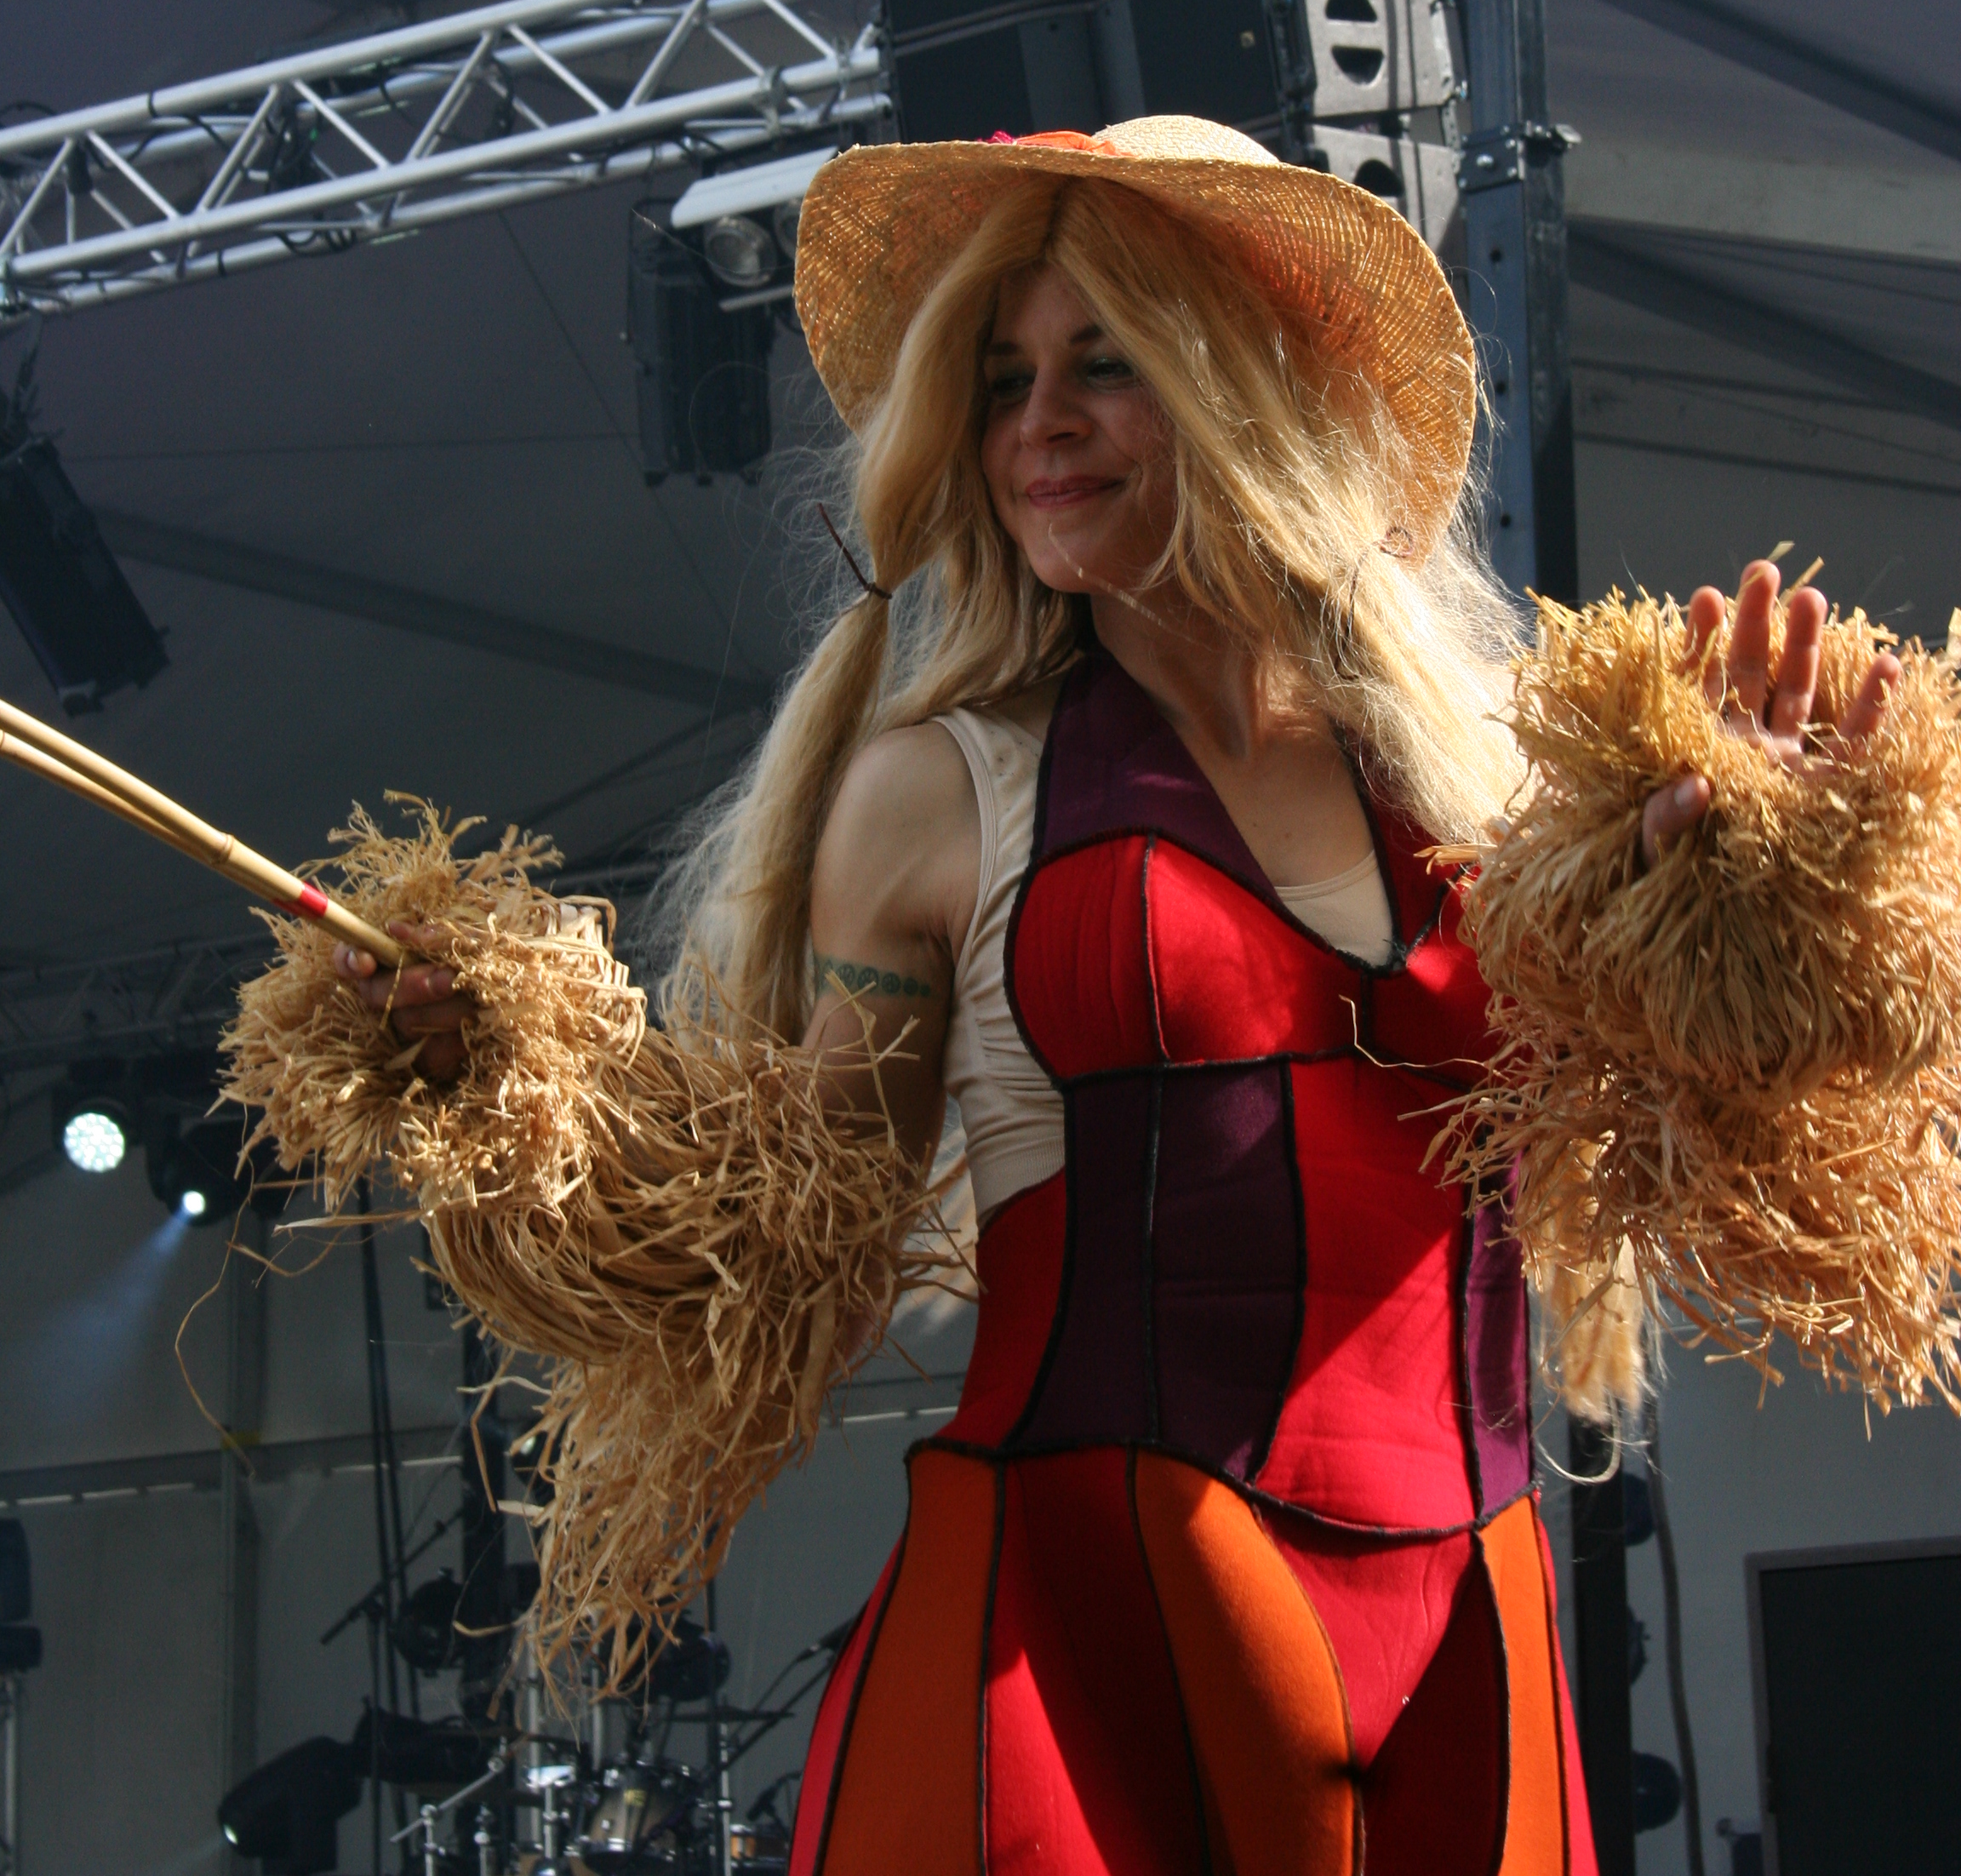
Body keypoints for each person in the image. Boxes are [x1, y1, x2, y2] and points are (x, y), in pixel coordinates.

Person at [344, 115, 1899, 1876]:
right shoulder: (939, 793)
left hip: (1468, 1635)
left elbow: (1735, 1136)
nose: (1039, 429)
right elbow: (779, 1235)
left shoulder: (1500, 798)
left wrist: (1778, 873)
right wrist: (499, 1073)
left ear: (1250, 390)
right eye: (1002, 383)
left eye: (1106, 364)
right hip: (1072, 1641)